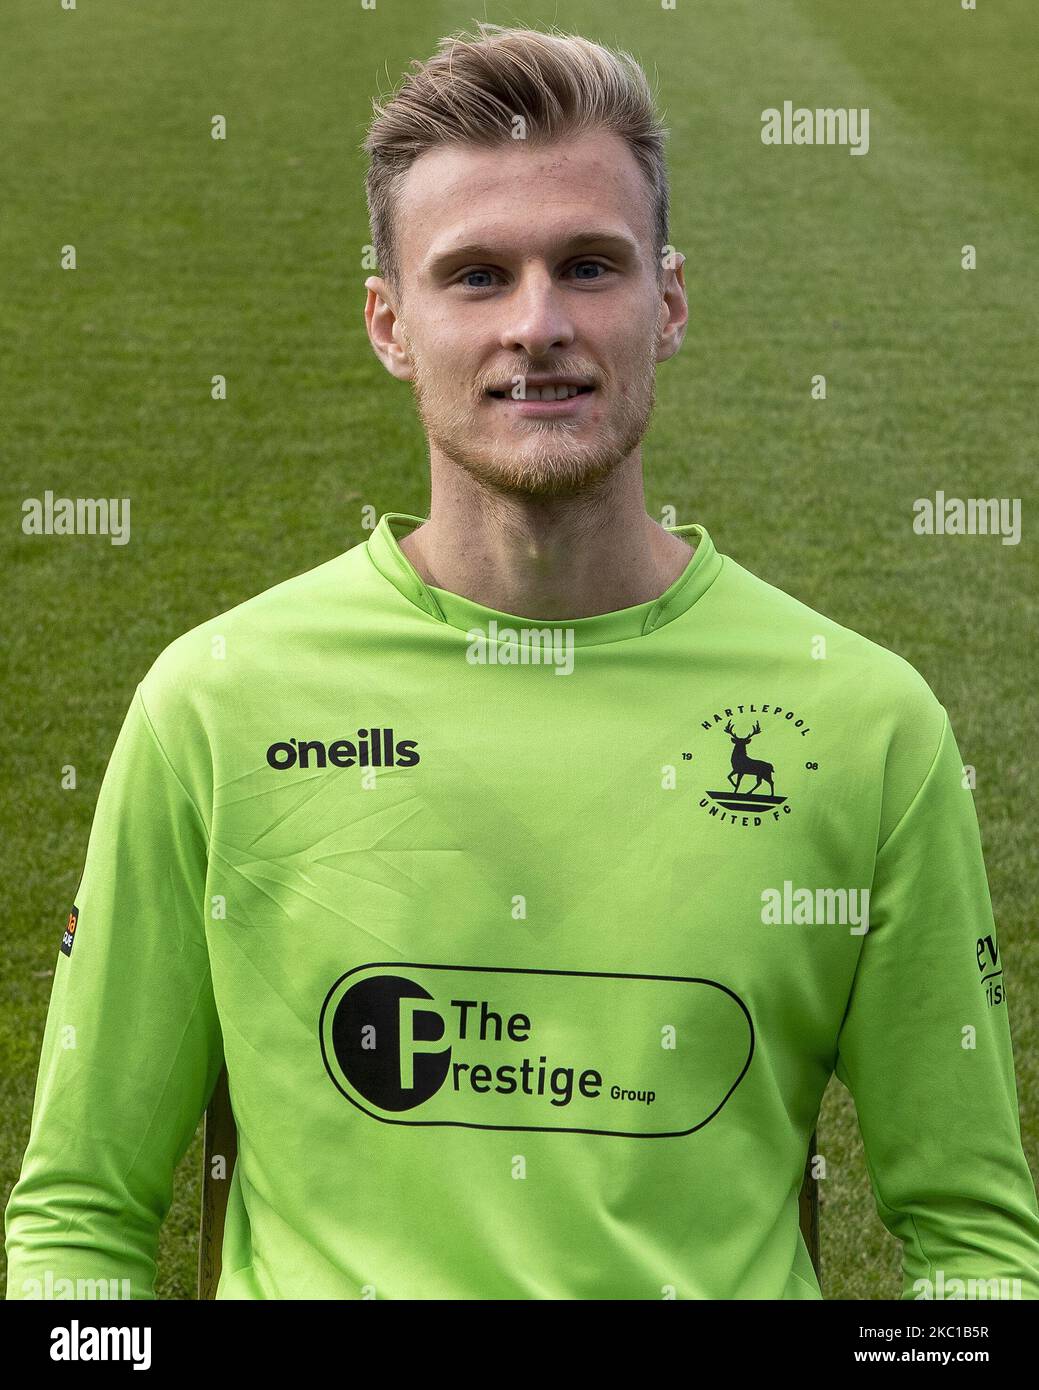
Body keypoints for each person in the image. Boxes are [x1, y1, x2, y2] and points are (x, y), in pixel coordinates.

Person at [6, 22, 1039, 1302]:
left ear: (666, 302)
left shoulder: (867, 724)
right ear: (391, 323)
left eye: (588, 266)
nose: (538, 323)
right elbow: (76, 1224)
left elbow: (978, 1252)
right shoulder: (216, 704)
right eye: (477, 276)